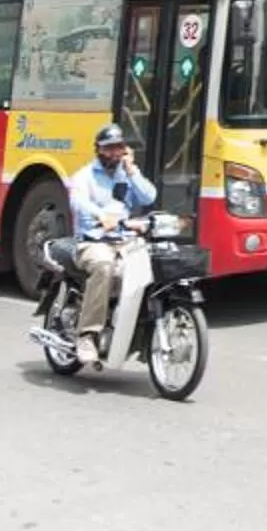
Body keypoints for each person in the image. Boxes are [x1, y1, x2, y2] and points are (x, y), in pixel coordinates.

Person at [70, 124, 158, 365]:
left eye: (118, 148)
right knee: (105, 265)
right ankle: (87, 334)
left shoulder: (126, 173)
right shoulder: (84, 176)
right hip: (93, 242)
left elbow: (149, 197)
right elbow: (78, 201)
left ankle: (142, 337)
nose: (114, 153)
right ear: (98, 150)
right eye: (108, 149)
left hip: (126, 241)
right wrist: (100, 215)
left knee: (152, 270)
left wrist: (132, 171)